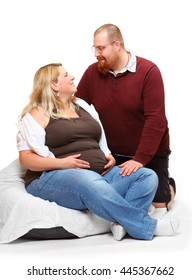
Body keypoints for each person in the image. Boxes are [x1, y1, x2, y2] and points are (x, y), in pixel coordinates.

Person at [17, 63, 179, 241]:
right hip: (51, 177)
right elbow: (26, 159)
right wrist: (63, 163)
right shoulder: (37, 114)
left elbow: (99, 136)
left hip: (99, 175)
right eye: (66, 75)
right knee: (86, 179)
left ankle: (121, 225)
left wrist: (107, 154)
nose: (72, 77)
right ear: (54, 85)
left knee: (146, 176)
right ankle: (146, 226)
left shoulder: (82, 105)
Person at [75, 23, 176, 219]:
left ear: (117, 45)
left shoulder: (149, 71)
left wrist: (139, 159)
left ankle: (169, 188)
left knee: (158, 208)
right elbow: (77, 109)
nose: (96, 53)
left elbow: (156, 121)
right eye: (94, 48)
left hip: (149, 153)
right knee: (113, 201)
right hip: (113, 154)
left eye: (101, 48)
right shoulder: (92, 73)